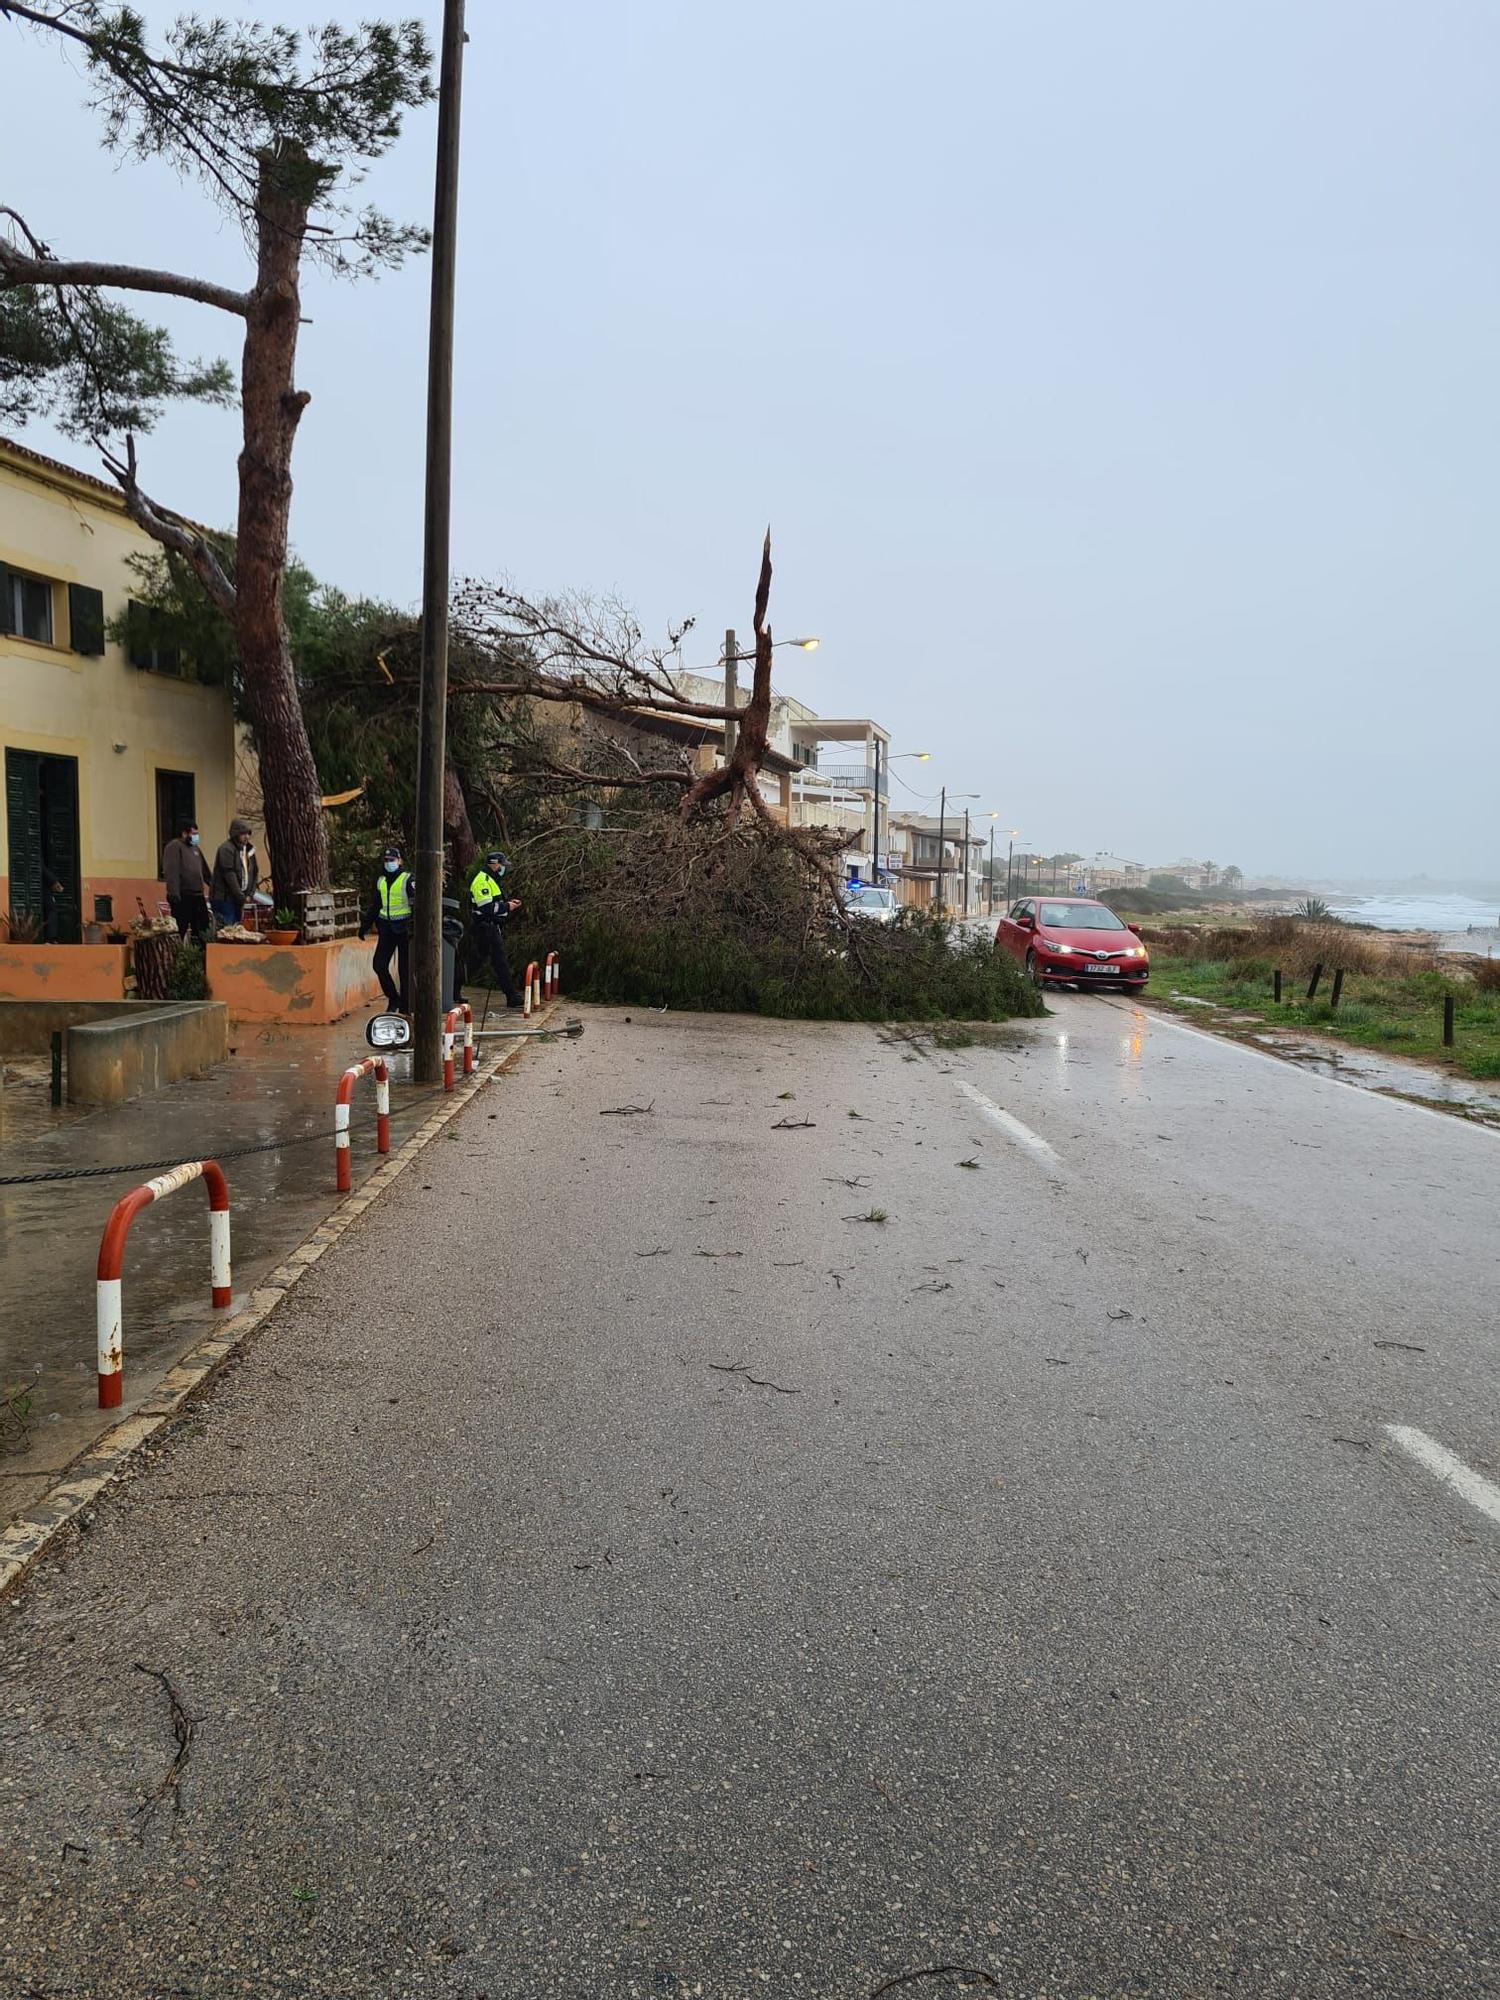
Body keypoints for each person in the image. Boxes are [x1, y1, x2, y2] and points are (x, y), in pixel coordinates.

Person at [360, 844, 414, 1012]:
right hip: (387, 929)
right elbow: (376, 905)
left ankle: (405, 1007)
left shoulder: (408, 879)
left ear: (399, 861)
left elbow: (417, 904)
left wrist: (415, 927)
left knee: (405, 971)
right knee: (379, 965)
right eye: (386, 860)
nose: (389, 863)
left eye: (392, 860)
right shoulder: (381, 881)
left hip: (404, 929)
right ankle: (393, 998)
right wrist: (365, 926)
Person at [468, 849, 523, 1008]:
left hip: (490, 927)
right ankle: (511, 996)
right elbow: (486, 908)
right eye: (502, 865)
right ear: (494, 865)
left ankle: (454, 988)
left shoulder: (491, 880)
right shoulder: (482, 881)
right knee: (499, 962)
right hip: (486, 928)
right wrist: (508, 906)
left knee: (477, 962)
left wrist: (507, 905)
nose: (503, 869)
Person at [162, 819, 211, 940]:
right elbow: (171, 871)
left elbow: (205, 871)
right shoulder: (174, 847)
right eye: (193, 833)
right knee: (180, 929)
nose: (196, 836)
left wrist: (213, 886)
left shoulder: (195, 849)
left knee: (202, 929)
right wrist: (174, 893)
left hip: (198, 895)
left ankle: (199, 955)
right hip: (182, 896)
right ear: (184, 833)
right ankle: (178, 956)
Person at [210, 817, 259, 928]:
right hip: (224, 899)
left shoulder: (249, 850)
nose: (247, 837)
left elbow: (254, 872)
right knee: (227, 929)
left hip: (239, 900)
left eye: (248, 833)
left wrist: (250, 894)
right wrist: (241, 896)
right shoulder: (226, 849)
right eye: (243, 834)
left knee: (236, 928)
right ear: (235, 834)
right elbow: (229, 876)